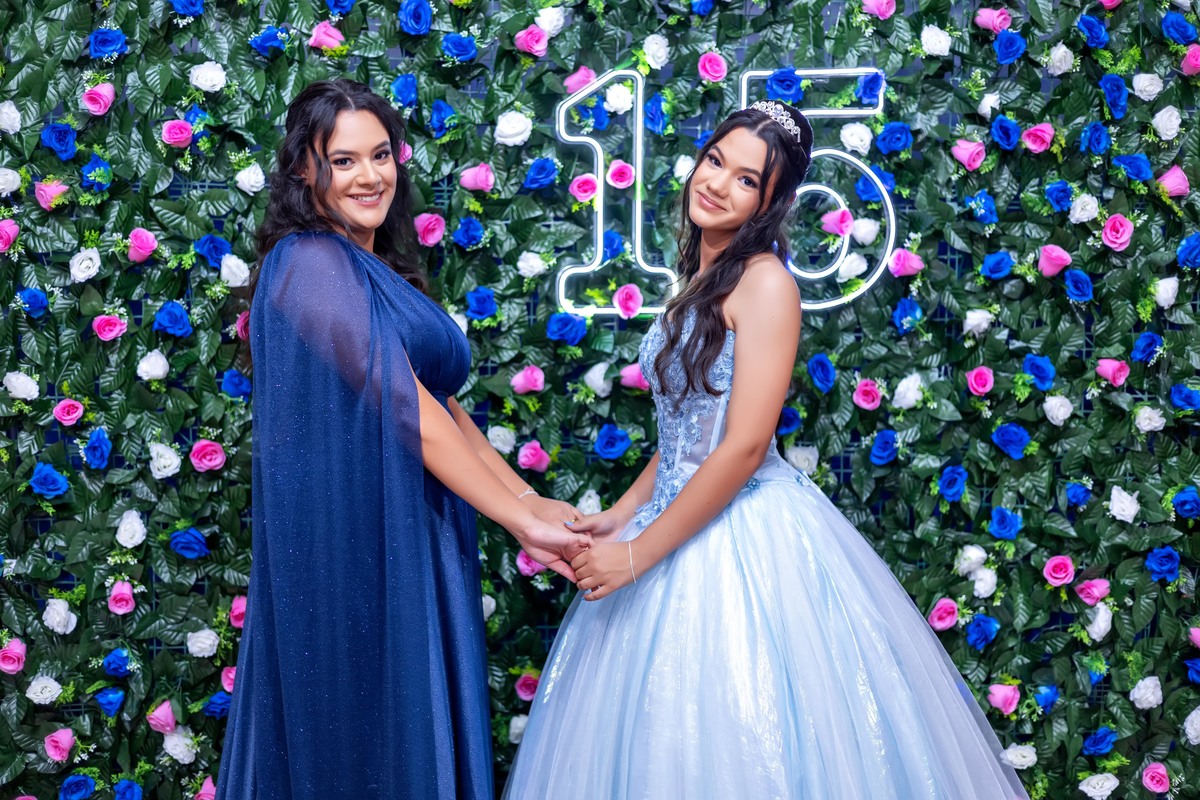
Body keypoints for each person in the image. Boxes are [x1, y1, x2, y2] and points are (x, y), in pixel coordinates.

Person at [503, 101, 1031, 799]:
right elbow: (686, 431)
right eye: (715, 160)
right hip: (678, 510)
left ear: (771, 202)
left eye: (747, 179)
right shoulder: (702, 279)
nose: (718, 183)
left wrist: (635, 554)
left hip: (744, 530)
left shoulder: (767, 282)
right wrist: (620, 516)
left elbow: (745, 445)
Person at [216, 79, 590, 800]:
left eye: (380, 155)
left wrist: (529, 499)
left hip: (411, 530)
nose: (369, 176)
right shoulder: (310, 261)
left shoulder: (375, 265)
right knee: (369, 740)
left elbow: (443, 409)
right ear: (304, 170)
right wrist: (521, 523)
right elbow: (407, 410)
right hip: (358, 551)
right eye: (344, 160)